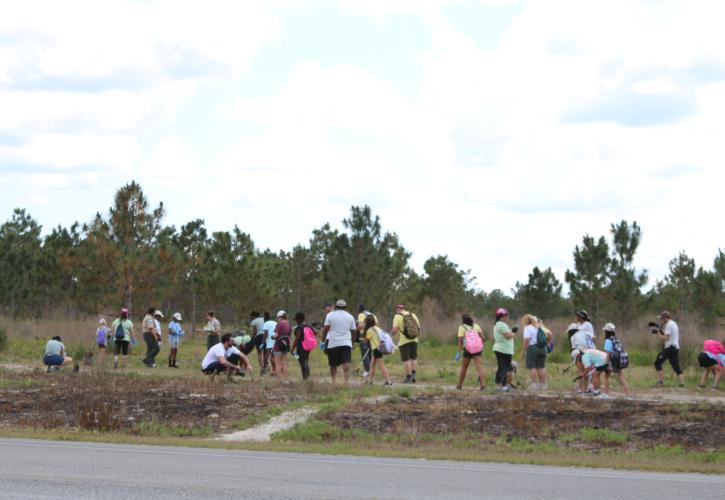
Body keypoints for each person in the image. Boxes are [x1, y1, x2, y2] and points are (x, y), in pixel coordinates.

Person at [322, 299, 356, 384]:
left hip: (333, 343)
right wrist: (352, 342)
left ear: (336, 307)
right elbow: (354, 332)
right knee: (346, 362)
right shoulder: (350, 316)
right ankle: (346, 381)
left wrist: (323, 339)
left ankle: (334, 381)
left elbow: (326, 329)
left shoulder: (330, 315)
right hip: (346, 343)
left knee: (333, 364)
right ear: (345, 307)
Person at [653, 311, 685, 388]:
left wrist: (658, 334)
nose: (661, 320)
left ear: (665, 318)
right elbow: (669, 336)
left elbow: (666, 338)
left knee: (657, 363)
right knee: (676, 366)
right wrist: (660, 332)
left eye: (661, 319)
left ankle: (660, 382)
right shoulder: (674, 323)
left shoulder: (669, 325)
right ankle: (682, 384)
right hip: (675, 347)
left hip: (670, 348)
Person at [455, 314, 486, 391]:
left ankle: (459, 386)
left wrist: (458, 352)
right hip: (477, 349)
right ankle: (483, 385)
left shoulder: (461, 327)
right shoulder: (476, 326)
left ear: (463, 321)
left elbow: (460, 341)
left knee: (464, 367)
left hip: (467, 350)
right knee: (479, 367)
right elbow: (483, 337)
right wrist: (480, 346)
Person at [391, 304, 420, 383]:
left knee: (406, 359)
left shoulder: (397, 316)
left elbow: (394, 330)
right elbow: (418, 327)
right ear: (404, 309)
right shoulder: (413, 315)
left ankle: (408, 377)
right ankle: (413, 376)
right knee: (413, 358)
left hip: (404, 341)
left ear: (397, 309)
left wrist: (391, 333)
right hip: (415, 339)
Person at [601, 323, 630, 397]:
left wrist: (606, 364)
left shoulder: (608, 341)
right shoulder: (616, 339)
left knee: (605, 376)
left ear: (607, 332)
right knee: (621, 377)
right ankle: (627, 395)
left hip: (612, 361)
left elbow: (608, 354)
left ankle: (605, 394)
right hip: (619, 361)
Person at [364, 314, 392, 386]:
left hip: (376, 349)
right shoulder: (377, 328)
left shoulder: (369, 330)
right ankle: (369, 381)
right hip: (380, 347)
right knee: (372, 365)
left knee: (381, 366)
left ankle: (388, 381)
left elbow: (366, 341)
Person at [521, 314, 547, 391]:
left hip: (532, 348)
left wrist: (523, 351)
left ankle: (534, 385)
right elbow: (548, 334)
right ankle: (543, 384)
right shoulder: (539, 326)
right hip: (542, 348)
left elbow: (527, 340)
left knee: (533, 367)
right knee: (541, 367)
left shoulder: (527, 328)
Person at [492, 308, 516, 391]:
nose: (508, 317)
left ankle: (498, 385)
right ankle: (504, 385)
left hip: (500, 349)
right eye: (507, 315)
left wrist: (511, 332)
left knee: (501, 367)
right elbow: (508, 336)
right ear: (502, 316)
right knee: (505, 368)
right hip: (504, 350)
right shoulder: (502, 325)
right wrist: (514, 332)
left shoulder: (497, 324)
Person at [291, 312, 314, 381]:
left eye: (297, 320)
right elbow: (314, 334)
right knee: (304, 360)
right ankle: (306, 376)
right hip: (308, 346)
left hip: (301, 346)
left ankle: (305, 377)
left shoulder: (300, 327)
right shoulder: (309, 326)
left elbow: (297, 338)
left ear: (300, 319)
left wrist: (292, 349)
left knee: (302, 361)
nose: (296, 321)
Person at [272, 311, 292, 383]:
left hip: (278, 346)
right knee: (284, 363)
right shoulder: (288, 324)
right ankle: (286, 379)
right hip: (286, 345)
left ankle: (280, 380)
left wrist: (272, 337)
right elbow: (290, 337)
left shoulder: (279, 324)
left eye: (278, 317)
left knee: (277, 363)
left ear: (280, 317)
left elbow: (276, 335)